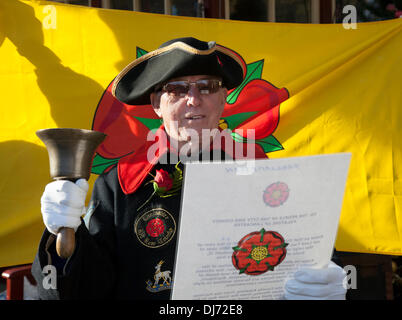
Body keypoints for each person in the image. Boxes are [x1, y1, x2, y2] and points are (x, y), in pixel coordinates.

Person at [32, 37, 347, 300]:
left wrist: (325, 276)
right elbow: (84, 291)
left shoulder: (260, 173)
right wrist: (64, 231)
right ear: (157, 103)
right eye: (178, 89)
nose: (194, 100)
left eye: (207, 87)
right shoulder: (120, 184)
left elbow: (303, 249)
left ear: (223, 99)